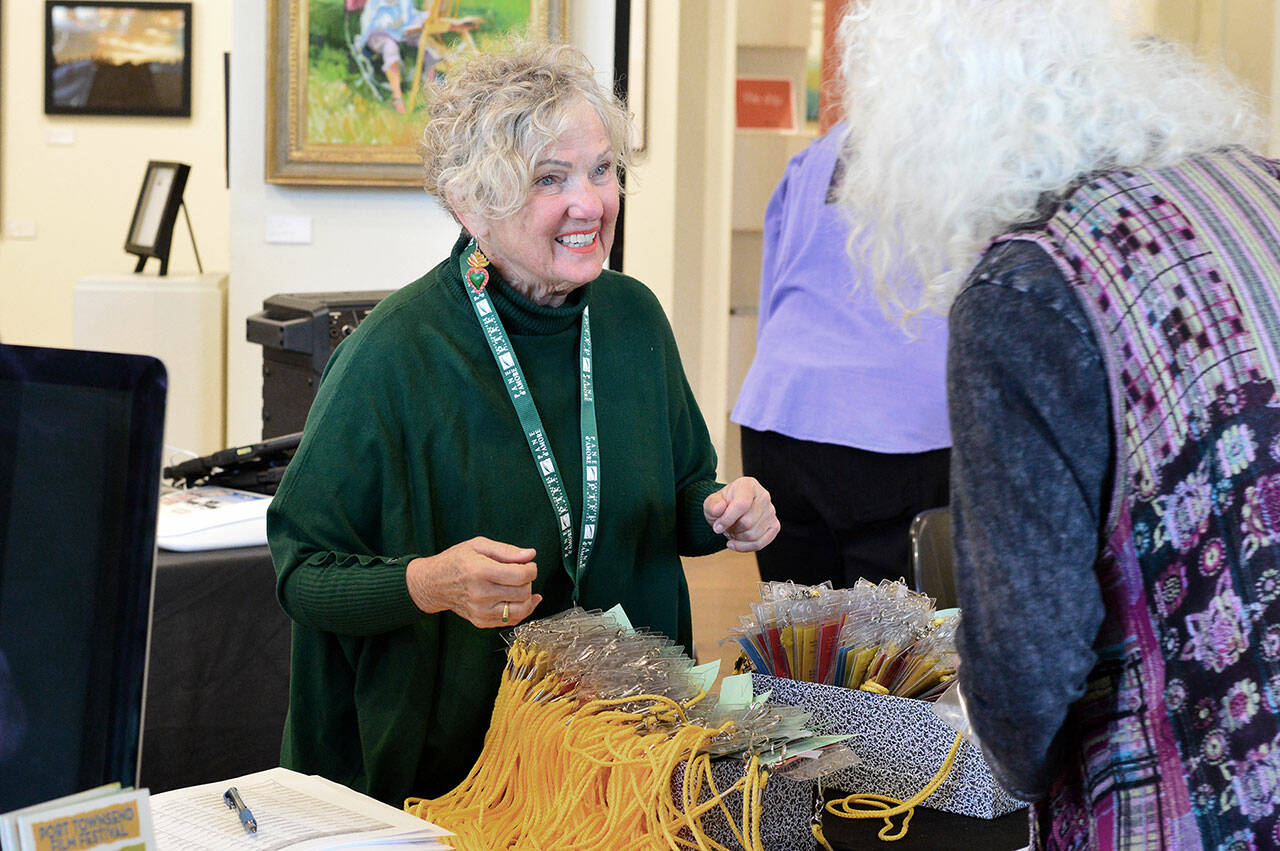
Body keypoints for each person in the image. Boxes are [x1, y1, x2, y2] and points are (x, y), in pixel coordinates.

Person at [267, 39, 779, 807]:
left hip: (622, 749)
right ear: (472, 204)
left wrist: (723, 512)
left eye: (602, 170)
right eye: (551, 179)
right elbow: (301, 571)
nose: (591, 203)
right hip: (451, 777)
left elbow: (680, 495)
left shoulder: (633, 317)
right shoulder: (394, 353)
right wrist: (428, 581)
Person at [836, 1, 1280, 847]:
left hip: (1205, 786)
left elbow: (1031, 655)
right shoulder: (1260, 186)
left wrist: (992, 752)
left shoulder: (1026, 289)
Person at [731, 121, 950, 589]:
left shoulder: (818, 154)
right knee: (892, 650)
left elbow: (776, 284)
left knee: (799, 636)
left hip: (783, 408)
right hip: (898, 424)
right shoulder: (963, 148)